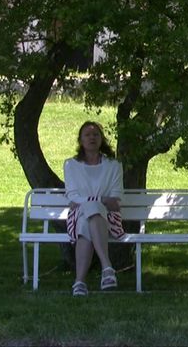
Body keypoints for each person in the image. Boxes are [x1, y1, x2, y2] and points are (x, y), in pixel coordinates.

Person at [64, 121, 124, 296]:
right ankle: (107, 268)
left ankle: (80, 283)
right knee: (87, 216)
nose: (92, 138)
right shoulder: (70, 165)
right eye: (87, 135)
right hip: (78, 216)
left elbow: (115, 198)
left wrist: (91, 201)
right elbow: (72, 196)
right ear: (81, 140)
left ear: (102, 139)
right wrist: (101, 199)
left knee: (89, 214)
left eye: (96, 134)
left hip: (108, 218)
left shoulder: (114, 165)